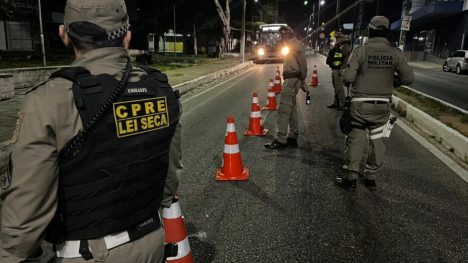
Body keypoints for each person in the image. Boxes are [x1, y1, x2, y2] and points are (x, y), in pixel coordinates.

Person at [0, 0, 183, 262]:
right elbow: (169, 179)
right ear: (127, 36)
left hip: (90, 254)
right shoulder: (161, 89)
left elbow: (26, 209)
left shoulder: (51, 100)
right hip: (152, 242)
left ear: (64, 35)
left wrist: (12, 255)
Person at [338, 16, 414, 190]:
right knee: (377, 139)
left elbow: (348, 78)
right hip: (382, 106)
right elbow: (409, 78)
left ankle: (351, 178)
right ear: (386, 32)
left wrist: (347, 75)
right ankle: (371, 176)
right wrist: (393, 82)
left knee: (356, 139)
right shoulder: (395, 53)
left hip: (359, 105)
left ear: (370, 30)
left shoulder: (360, 51)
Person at [265, 26, 308, 150]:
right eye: (281, 35)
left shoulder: (295, 46)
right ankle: (292, 137)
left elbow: (303, 65)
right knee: (292, 109)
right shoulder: (290, 45)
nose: (281, 37)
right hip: (293, 79)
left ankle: (281, 139)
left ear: (288, 35)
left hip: (292, 80)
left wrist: (302, 80)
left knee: (284, 109)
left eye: (283, 35)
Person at [326, 31, 351, 110]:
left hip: (339, 69)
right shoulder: (337, 46)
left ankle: (342, 103)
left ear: (342, 38)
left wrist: (342, 68)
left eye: (338, 38)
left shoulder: (345, 46)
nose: (336, 39)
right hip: (334, 69)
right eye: (336, 38)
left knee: (339, 87)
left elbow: (347, 58)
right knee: (335, 86)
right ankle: (336, 102)